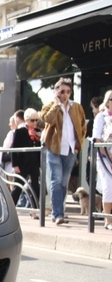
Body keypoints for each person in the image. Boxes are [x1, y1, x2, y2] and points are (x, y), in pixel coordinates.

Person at [39, 77, 87, 225]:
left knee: (64, 183)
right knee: (56, 180)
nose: (65, 94)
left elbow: (83, 126)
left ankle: (58, 211)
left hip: (71, 149)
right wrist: (57, 105)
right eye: (62, 91)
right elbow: (47, 119)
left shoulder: (77, 107)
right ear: (56, 92)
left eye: (68, 91)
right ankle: (57, 213)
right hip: (54, 149)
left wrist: (79, 145)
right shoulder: (49, 106)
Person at [11, 109, 42, 211]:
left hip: (34, 163)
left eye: (36, 120)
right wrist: (15, 164)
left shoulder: (38, 132)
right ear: (26, 120)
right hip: (22, 163)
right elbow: (13, 148)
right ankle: (10, 208)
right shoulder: (20, 131)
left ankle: (35, 209)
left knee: (35, 186)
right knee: (18, 186)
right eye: (32, 120)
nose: (35, 123)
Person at [91, 89, 112, 230]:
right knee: (108, 186)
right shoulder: (101, 117)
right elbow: (97, 138)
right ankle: (108, 220)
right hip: (104, 156)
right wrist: (107, 154)